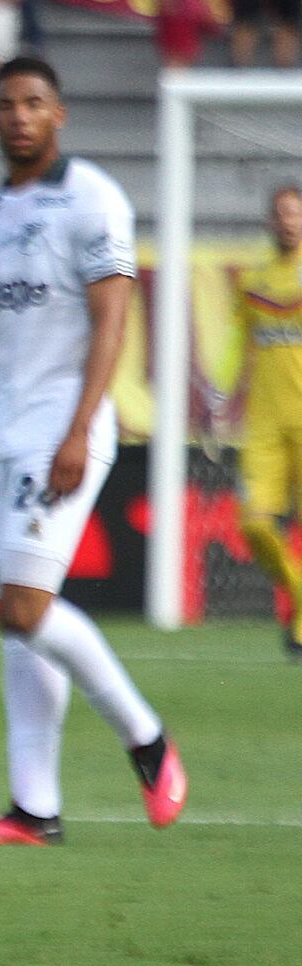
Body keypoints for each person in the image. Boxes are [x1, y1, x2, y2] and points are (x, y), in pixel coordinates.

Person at [0, 57, 188, 846]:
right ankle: (34, 809)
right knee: (18, 624)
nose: (19, 116)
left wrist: (81, 426)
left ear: (59, 115)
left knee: (23, 608)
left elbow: (113, 323)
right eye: (7, 105)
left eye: (33, 103)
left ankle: (147, 740)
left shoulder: (91, 198)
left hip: (62, 425)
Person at [214, 185, 302, 655]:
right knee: (252, 524)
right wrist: (220, 392)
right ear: (271, 221)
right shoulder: (254, 280)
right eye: (282, 214)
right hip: (265, 428)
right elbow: (237, 342)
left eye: (296, 213)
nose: (289, 221)